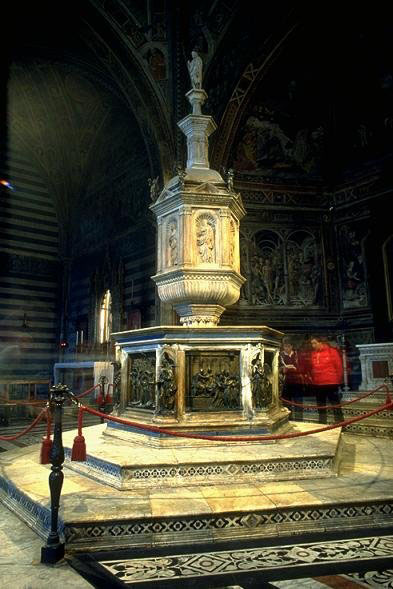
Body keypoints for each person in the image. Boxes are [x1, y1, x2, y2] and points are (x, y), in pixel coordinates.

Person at [309, 335, 344, 424]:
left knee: (335, 405)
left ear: (321, 343)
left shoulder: (332, 352)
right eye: (312, 344)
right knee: (320, 406)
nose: (313, 345)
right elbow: (312, 368)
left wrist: (338, 381)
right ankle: (322, 424)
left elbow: (339, 367)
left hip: (331, 383)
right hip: (318, 383)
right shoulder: (313, 354)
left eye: (315, 343)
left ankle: (340, 423)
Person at [279, 340, 304, 420]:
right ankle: (289, 420)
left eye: (288, 346)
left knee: (298, 403)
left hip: (297, 382)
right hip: (286, 383)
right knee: (287, 403)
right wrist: (283, 369)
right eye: (285, 346)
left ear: (292, 346)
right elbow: (277, 368)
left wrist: (296, 369)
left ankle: (299, 420)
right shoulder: (280, 356)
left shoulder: (297, 355)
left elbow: (303, 367)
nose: (286, 348)